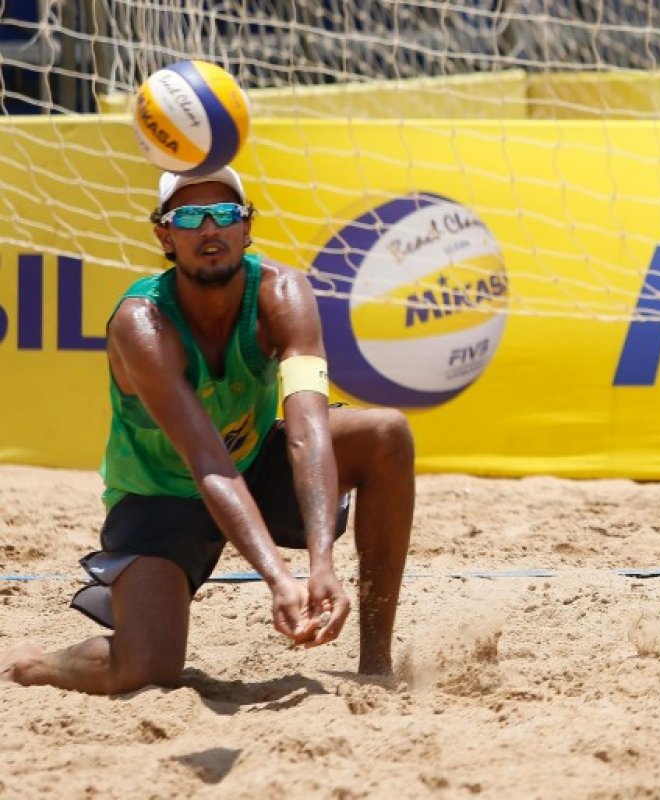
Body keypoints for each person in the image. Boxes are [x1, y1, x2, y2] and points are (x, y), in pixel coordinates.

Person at [1, 166, 415, 694]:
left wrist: (320, 563)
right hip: (161, 496)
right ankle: (34, 664)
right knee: (145, 668)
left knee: (385, 434)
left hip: (253, 461)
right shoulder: (142, 322)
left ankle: (375, 666)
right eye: (190, 218)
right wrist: (279, 578)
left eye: (223, 213)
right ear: (164, 237)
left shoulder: (283, 293)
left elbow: (307, 431)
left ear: (246, 228)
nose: (209, 229)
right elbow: (207, 462)